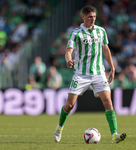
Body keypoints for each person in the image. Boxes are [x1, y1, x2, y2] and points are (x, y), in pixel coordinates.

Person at [53, 5, 126, 143]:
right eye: (90, 17)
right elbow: (69, 50)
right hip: (81, 74)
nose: (93, 19)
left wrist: (112, 68)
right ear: (83, 17)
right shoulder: (76, 33)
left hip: (99, 73)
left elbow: (106, 50)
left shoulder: (101, 31)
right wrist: (68, 60)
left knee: (108, 102)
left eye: (94, 17)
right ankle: (59, 128)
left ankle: (114, 135)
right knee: (69, 105)